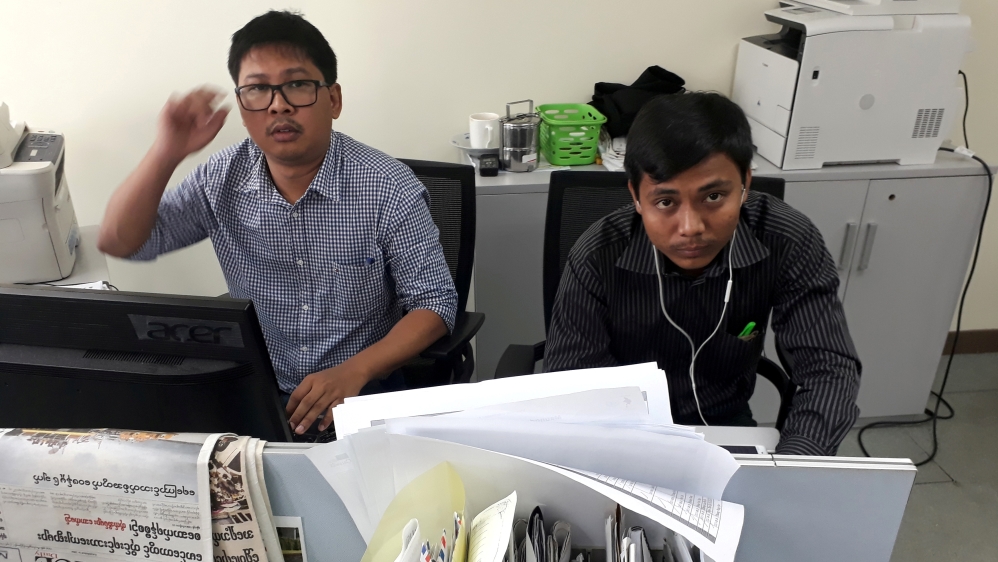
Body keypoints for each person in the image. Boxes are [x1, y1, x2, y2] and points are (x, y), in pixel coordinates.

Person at [97, 11, 457, 437]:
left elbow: (435, 303)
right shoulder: (221, 178)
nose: (278, 104)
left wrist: (352, 373)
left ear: (334, 99)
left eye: (298, 84)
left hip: (363, 392)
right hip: (257, 393)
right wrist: (167, 151)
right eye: (257, 89)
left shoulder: (387, 186)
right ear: (243, 106)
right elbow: (121, 241)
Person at [544, 92, 860, 456]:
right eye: (666, 202)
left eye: (713, 197)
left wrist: (796, 462)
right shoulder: (597, 255)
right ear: (636, 196)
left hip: (725, 421)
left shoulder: (787, 239)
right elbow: (573, 384)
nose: (691, 227)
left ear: (745, 183)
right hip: (626, 431)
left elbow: (828, 368)